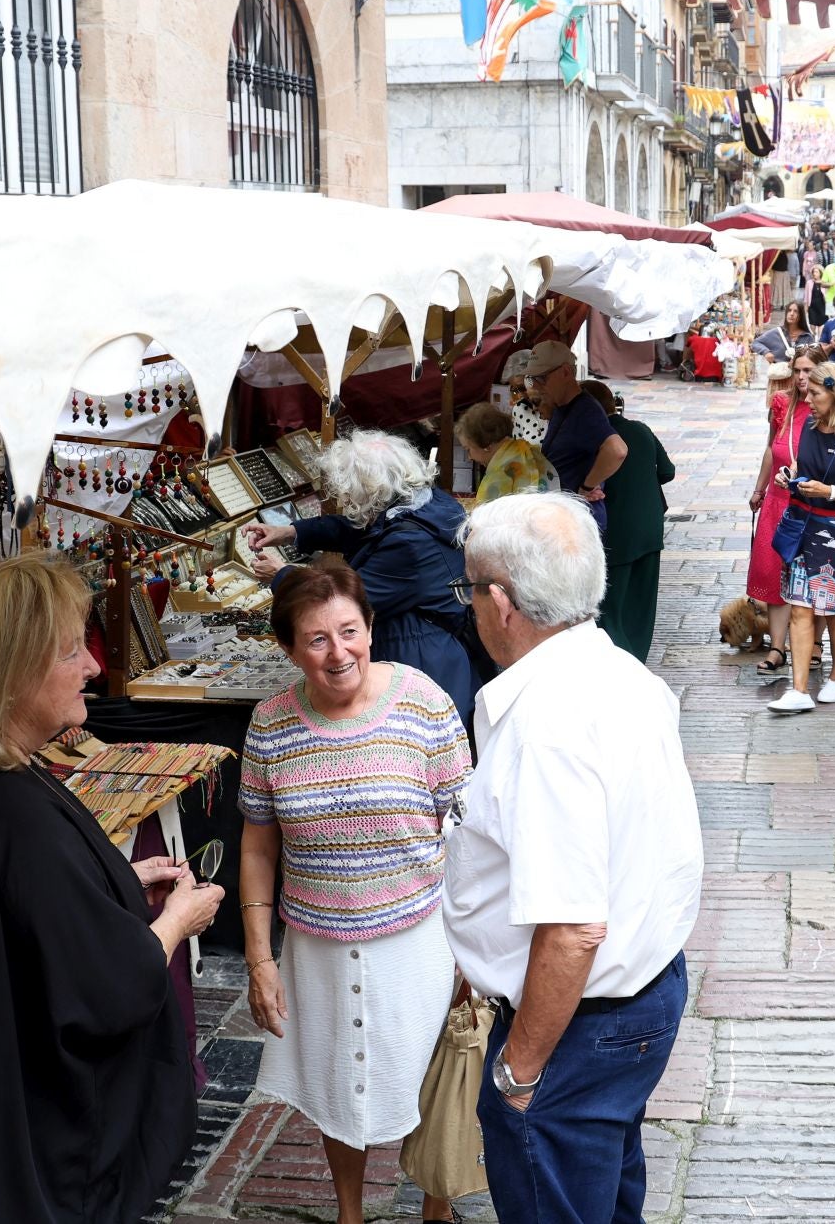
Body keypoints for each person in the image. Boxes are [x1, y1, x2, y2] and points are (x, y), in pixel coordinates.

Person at [0, 555, 225, 1224]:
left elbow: (3, 914)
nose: (92, 666)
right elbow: (107, 984)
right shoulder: (8, 812)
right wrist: (179, 919)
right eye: (70, 651)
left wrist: (113, 881)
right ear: (13, 671)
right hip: (38, 1130)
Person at [442, 493, 703, 1223]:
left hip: (578, 1022)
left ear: (501, 603)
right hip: (634, 994)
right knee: (607, 1199)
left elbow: (572, 929)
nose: (469, 606)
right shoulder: (618, 671)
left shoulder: (547, 724)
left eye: (470, 590)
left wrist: (520, 1070)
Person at [238, 559, 469, 1224]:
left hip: (419, 937)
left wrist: (474, 947)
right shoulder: (270, 724)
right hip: (318, 945)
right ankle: (349, 1213)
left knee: (434, 1077)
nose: (339, 653)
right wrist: (259, 958)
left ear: (370, 628)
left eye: (349, 632)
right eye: (317, 639)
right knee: (341, 1088)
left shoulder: (423, 702)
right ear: (289, 649)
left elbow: (468, 829)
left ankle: (436, 1207)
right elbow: (257, 846)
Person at [245, 430, 479, 729]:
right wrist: (292, 532)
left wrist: (282, 575)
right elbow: (360, 529)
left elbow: (341, 602)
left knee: (411, 741)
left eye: (349, 494)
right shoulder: (425, 504)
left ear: (369, 491)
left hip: (419, 657)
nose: (346, 501)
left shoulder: (410, 544)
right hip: (430, 647)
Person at [765, 363, 835, 713]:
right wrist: (788, 476)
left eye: (815, 393)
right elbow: (804, 468)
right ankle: (799, 689)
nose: (808, 399)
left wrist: (829, 492)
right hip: (802, 524)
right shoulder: (810, 428)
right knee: (799, 607)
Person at [580, 379, 676, 662]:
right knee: (641, 608)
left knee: (610, 609)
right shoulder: (640, 429)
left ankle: (624, 666)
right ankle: (637, 662)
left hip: (617, 531)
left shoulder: (596, 438)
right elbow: (668, 471)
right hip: (650, 529)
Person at [747, 348, 820, 674]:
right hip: (778, 501)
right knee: (774, 572)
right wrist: (759, 489)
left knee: (813, 576)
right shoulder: (780, 404)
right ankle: (777, 648)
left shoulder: (827, 407)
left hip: (813, 503)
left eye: (808, 371)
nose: (801, 377)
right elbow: (771, 447)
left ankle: (813, 644)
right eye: (797, 370)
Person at [522, 339, 627, 533]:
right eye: (532, 378)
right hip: (566, 516)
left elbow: (617, 450)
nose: (535, 385)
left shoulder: (585, 410)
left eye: (542, 378)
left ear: (565, 372)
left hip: (578, 521)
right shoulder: (561, 406)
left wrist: (587, 487)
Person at [455, 400, 559, 504]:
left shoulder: (499, 475)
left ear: (486, 444)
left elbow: (485, 512)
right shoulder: (528, 450)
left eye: (468, 449)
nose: (469, 457)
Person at [751, 300, 816, 363]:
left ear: (801, 315)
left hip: (799, 370)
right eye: (789, 310)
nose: (791, 314)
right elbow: (755, 343)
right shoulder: (777, 332)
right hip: (779, 370)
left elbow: (813, 359)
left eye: (796, 311)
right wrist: (766, 352)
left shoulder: (807, 337)